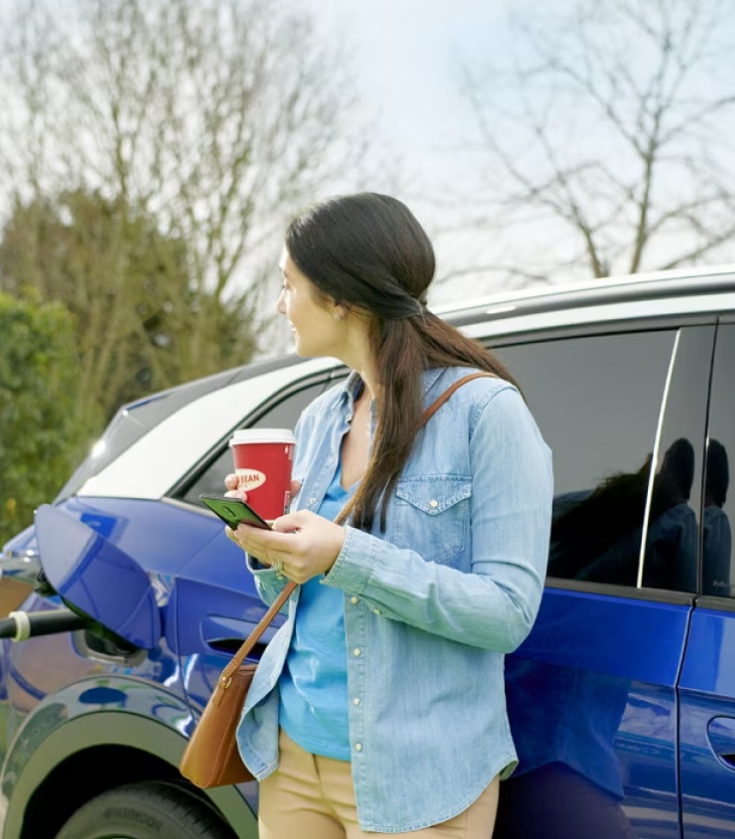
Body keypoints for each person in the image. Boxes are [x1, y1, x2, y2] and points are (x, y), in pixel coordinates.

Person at [222, 193, 554, 837]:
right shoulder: (321, 418)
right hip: (291, 759)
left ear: (341, 297)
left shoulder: (486, 413)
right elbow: (295, 594)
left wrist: (346, 557)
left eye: (288, 286)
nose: (279, 304)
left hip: (418, 773)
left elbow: (508, 612)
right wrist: (264, 543)